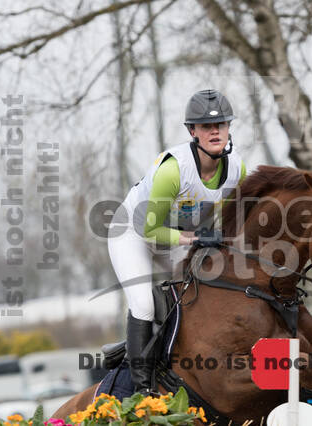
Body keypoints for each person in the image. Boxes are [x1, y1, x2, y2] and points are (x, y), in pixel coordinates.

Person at [107, 89, 246, 395]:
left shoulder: (236, 168)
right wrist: (196, 237)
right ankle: (142, 391)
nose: (215, 131)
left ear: (228, 129)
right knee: (143, 303)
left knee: (201, 292)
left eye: (221, 125)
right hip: (134, 232)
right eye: (206, 126)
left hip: (177, 236)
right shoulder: (174, 170)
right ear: (192, 131)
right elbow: (150, 230)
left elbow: (230, 221)